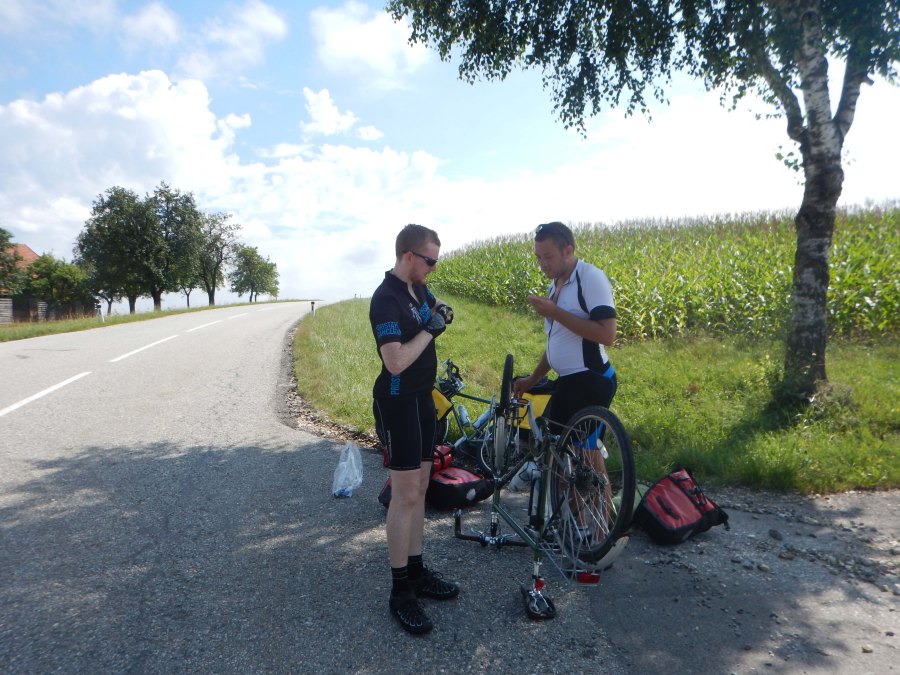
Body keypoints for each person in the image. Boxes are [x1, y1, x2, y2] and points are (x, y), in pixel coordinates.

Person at [369, 224, 459, 635]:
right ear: (409, 256)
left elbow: (436, 307)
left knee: (421, 487)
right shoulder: (386, 299)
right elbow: (395, 362)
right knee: (404, 495)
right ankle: (400, 591)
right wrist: (431, 328)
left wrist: (441, 311)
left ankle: (418, 571)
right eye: (430, 261)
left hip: (423, 399)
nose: (434, 268)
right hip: (398, 400)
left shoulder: (418, 289)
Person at [512, 222, 618, 526]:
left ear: (568, 250)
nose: (542, 264)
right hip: (568, 383)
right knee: (556, 457)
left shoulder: (590, 278)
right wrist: (531, 380)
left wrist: (554, 312)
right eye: (538, 257)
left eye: (548, 256)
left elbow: (607, 334)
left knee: (589, 462)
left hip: (592, 380)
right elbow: (556, 344)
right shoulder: (555, 286)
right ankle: (574, 528)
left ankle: (602, 534)